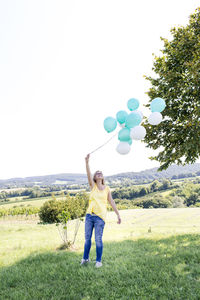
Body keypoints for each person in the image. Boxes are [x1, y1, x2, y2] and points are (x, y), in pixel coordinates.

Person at [81, 154, 121, 268]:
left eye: (101, 173)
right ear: (95, 177)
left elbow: (112, 202)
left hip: (100, 218)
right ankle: (85, 259)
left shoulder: (107, 189)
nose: (99, 173)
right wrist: (87, 162)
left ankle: (98, 261)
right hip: (89, 216)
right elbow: (88, 174)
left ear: (102, 177)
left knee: (98, 239)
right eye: (97, 173)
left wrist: (118, 215)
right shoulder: (92, 186)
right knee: (87, 239)